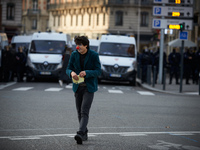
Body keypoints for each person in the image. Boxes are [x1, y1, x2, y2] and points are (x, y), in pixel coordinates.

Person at [66, 36, 101, 144]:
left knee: (84, 110)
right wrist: (71, 73)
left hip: (89, 87)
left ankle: (80, 133)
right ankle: (84, 132)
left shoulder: (94, 55)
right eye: (77, 45)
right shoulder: (74, 54)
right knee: (79, 112)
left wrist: (87, 72)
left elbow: (98, 71)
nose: (78, 47)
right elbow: (68, 68)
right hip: (77, 87)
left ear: (86, 45)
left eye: (80, 45)